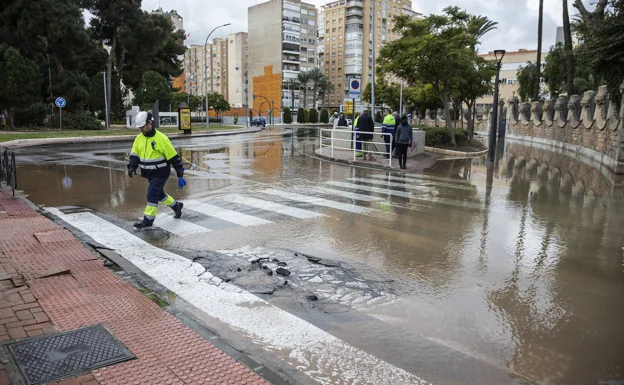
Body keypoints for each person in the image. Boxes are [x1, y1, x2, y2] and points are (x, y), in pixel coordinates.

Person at [127, 110, 185, 230]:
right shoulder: (139, 138)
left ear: (149, 123)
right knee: (159, 194)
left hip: (161, 172)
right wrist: (132, 166)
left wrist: (180, 173)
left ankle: (148, 221)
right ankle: (176, 206)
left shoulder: (161, 139)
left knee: (152, 194)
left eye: (142, 127)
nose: (141, 130)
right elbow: (135, 154)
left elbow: (173, 157)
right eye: (139, 128)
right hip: (148, 173)